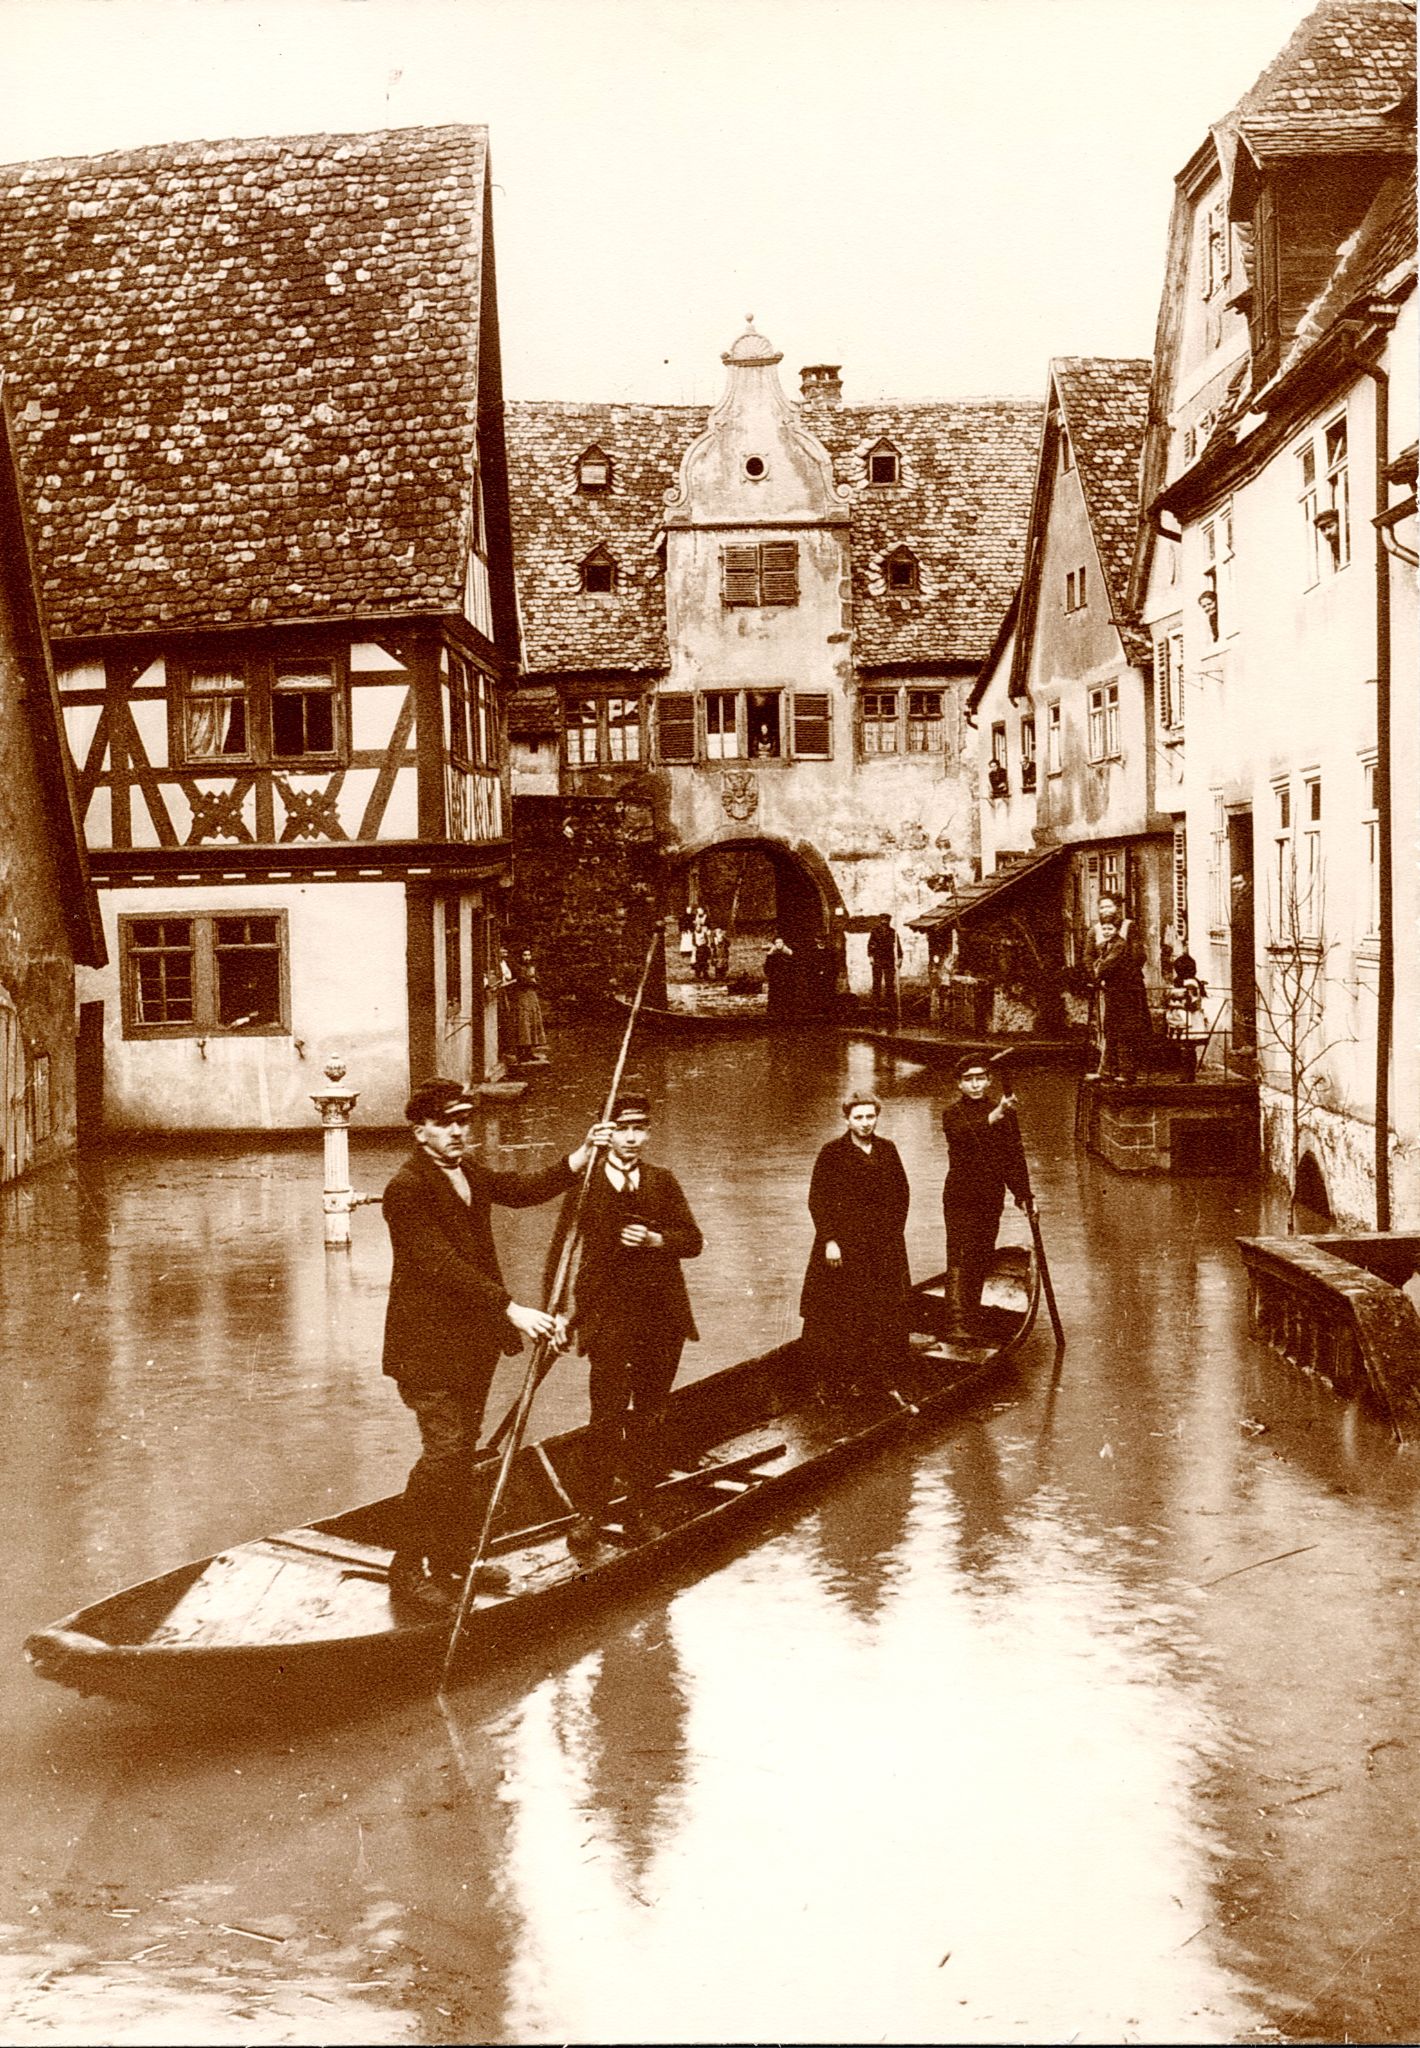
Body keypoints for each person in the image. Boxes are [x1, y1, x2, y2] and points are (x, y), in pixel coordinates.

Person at [381, 1078, 615, 1617]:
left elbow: (523, 1189)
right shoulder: (406, 1188)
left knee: (462, 1455)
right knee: (444, 1454)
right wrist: (512, 1309)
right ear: (420, 1132)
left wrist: (580, 1156)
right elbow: (441, 1264)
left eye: (463, 1121)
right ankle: (406, 1568)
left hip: (471, 1345)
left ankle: (452, 1561)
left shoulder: (467, 1170)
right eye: (445, 1123)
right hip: (425, 1349)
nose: (458, 1131)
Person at [567, 1090, 703, 1549]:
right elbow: (565, 1255)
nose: (631, 1138)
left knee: (648, 1418)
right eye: (622, 1129)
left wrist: (656, 1240)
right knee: (605, 1418)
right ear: (606, 1135)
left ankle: (639, 1510)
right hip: (608, 1320)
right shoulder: (585, 1185)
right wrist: (567, 1315)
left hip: (661, 1320)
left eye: (638, 1129)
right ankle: (590, 1513)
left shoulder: (662, 1181)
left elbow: (693, 1240)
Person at [798, 1091, 912, 1395]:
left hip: (882, 1244)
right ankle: (834, 1377)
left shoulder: (887, 1149)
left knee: (882, 1308)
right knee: (840, 1310)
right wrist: (830, 1240)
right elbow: (818, 1200)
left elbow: (901, 1194)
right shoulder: (832, 1153)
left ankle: (876, 1375)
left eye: (870, 1116)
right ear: (847, 1120)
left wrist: (893, 1235)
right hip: (844, 1245)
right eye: (858, 1117)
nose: (865, 1123)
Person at [940, 1054, 1032, 1340]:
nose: (975, 1084)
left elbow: (1013, 1156)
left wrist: (1023, 1195)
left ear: (989, 1080)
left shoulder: (1004, 1113)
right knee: (959, 1255)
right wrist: (995, 1116)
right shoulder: (952, 1113)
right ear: (959, 1084)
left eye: (980, 1078)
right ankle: (955, 1324)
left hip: (991, 1196)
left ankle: (972, 1317)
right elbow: (962, 1137)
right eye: (968, 1079)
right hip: (960, 1196)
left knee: (980, 1256)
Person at [1083, 895, 1151, 1083]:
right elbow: (1088, 956)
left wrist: (1120, 972)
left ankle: (1127, 1071)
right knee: (1108, 1028)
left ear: (1117, 908)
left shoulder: (1129, 927)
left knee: (1127, 1029)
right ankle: (1107, 1070)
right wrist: (1096, 977)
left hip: (1128, 986)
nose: (1105, 911)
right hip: (1106, 986)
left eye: (1109, 907)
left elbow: (1138, 956)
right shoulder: (1095, 931)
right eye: (1102, 907)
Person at [512, 948, 550, 1065]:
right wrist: (530, 979)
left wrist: (533, 980)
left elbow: (537, 980)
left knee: (532, 1022)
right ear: (520, 956)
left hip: (532, 995)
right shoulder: (517, 967)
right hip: (522, 996)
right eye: (524, 955)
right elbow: (521, 981)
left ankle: (529, 1052)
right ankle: (521, 1053)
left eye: (529, 955)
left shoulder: (532, 967)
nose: (527, 957)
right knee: (523, 1023)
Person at [867, 914, 902, 1012]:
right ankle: (876, 1004)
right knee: (876, 982)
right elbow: (870, 944)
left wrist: (900, 958)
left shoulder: (892, 932)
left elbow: (898, 946)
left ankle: (890, 1004)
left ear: (889, 921)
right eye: (883, 920)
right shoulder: (875, 931)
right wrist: (871, 957)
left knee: (889, 982)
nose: (884, 922)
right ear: (880, 921)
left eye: (886, 921)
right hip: (878, 959)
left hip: (889, 959)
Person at [763, 934, 795, 1020]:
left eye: (780, 942)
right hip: (775, 979)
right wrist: (771, 976)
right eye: (777, 943)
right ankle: (773, 1012)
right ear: (774, 944)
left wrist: (790, 976)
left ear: (783, 943)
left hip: (786, 978)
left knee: (786, 994)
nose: (779, 944)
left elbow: (792, 966)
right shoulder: (771, 955)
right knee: (774, 995)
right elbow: (767, 967)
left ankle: (786, 1011)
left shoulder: (788, 954)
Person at [692, 907, 712, 981]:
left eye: (701, 911)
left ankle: (705, 974)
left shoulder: (706, 917)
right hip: (698, 948)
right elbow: (693, 941)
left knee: (704, 961)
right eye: (698, 911)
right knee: (698, 961)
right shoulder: (695, 933)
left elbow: (709, 925)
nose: (700, 912)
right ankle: (697, 974)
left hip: (704, 933)